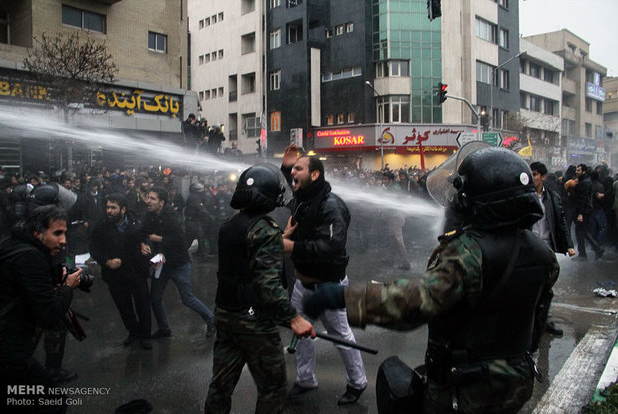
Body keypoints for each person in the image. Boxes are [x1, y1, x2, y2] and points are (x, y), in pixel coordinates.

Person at [303, 146, 560, 414]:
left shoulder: (467, 253)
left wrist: (342, 297)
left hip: (466, 385)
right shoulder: (544, 254)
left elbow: (414, 304)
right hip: (514, 382)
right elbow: (537, 321)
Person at [204, 165, 315, 414]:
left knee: (220, 387)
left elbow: (247, 252)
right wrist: (294, 318)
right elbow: (268, 284)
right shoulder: (264, 230)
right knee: (273, 389)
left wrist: (280, 236)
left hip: (226, 316)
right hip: (254, 323)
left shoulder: (229, 225)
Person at [281, 145, 368, 406]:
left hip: (328, 286)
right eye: (292, 170)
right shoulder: (303, 197)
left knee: (341, 337)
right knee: (301, 333)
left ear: (316, 174)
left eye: (298, 169)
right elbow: (295, 186)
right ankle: (306, 379)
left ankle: (358, 382)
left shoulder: (332, 206)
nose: (293, 174)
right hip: (302, 283)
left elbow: (332, 247)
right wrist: (287, 167)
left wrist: (292, 246)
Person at [0, 205, 82, 413]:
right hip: (8, 349)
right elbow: (50, 315)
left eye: (64, 233)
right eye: (57, 233)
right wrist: (67, 287)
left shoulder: (11, 244)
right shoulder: (30, 257)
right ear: (37, 233)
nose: (63, 241)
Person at [139, 187, 216, 339]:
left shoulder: (171, 216)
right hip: (161, 264)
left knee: (187, 298)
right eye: (148, 197)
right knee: (154, 297)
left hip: (178, 264)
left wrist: (159, 240)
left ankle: (211, 320)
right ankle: (164, 329)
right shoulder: (149, 215)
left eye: (152, 198)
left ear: (161, 202)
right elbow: (143, 232)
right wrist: (143, 243)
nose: (148, 201)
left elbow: (179, 240)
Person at [90, 193, 152, 350]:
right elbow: (94, 250)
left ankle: (145, 335)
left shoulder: (136, 221)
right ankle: (133, 332)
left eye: (113, 208)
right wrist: (106, 261)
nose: (109, 211)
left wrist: (144, 244)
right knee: (124, 307)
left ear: (123, 209)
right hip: (115, 276)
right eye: (107, 207)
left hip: (137, 272)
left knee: (143, 304)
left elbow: (147, 236)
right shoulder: (101, 227)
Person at [530, 161, 575, 336]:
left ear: (543, 177)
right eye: (530, 174)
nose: (532, 177)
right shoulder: (524, 196)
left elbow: (561, 222)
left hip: (547, 247)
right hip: (530, 246)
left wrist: (569, 245)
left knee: (546, 287)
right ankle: (529, 321)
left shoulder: (552, 197)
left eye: (535, 174)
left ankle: (545, 320)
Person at [573, 164, 604, 260]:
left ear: (584, 172)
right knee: (582, 231)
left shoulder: (585, 183)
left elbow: (583, 199)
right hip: (585, 210)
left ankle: (584, 253)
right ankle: (595, 249)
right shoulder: (584, 181)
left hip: (584, 211)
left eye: (578, 170)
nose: (576, 172)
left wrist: (580, 213)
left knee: (580, 231)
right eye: (576, 170)